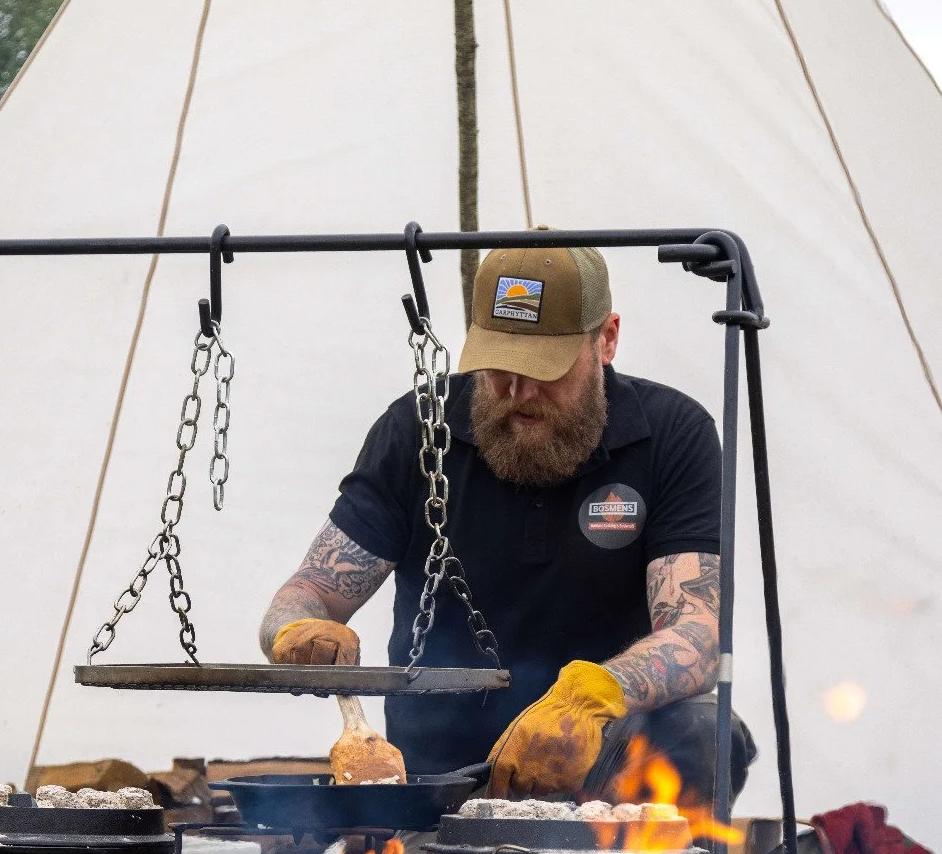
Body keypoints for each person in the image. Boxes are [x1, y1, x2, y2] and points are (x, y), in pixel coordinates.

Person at [259, 244, 755, 806]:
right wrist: (294, 631)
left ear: (607, 339)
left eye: (544, 369)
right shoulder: (418, 430)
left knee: (704, 729)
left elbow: (700, 631)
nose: (519, 391)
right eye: (499, 365)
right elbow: (309, 592)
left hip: (606, 770)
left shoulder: (671, 435)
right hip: (442, 777)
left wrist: (588, 697)